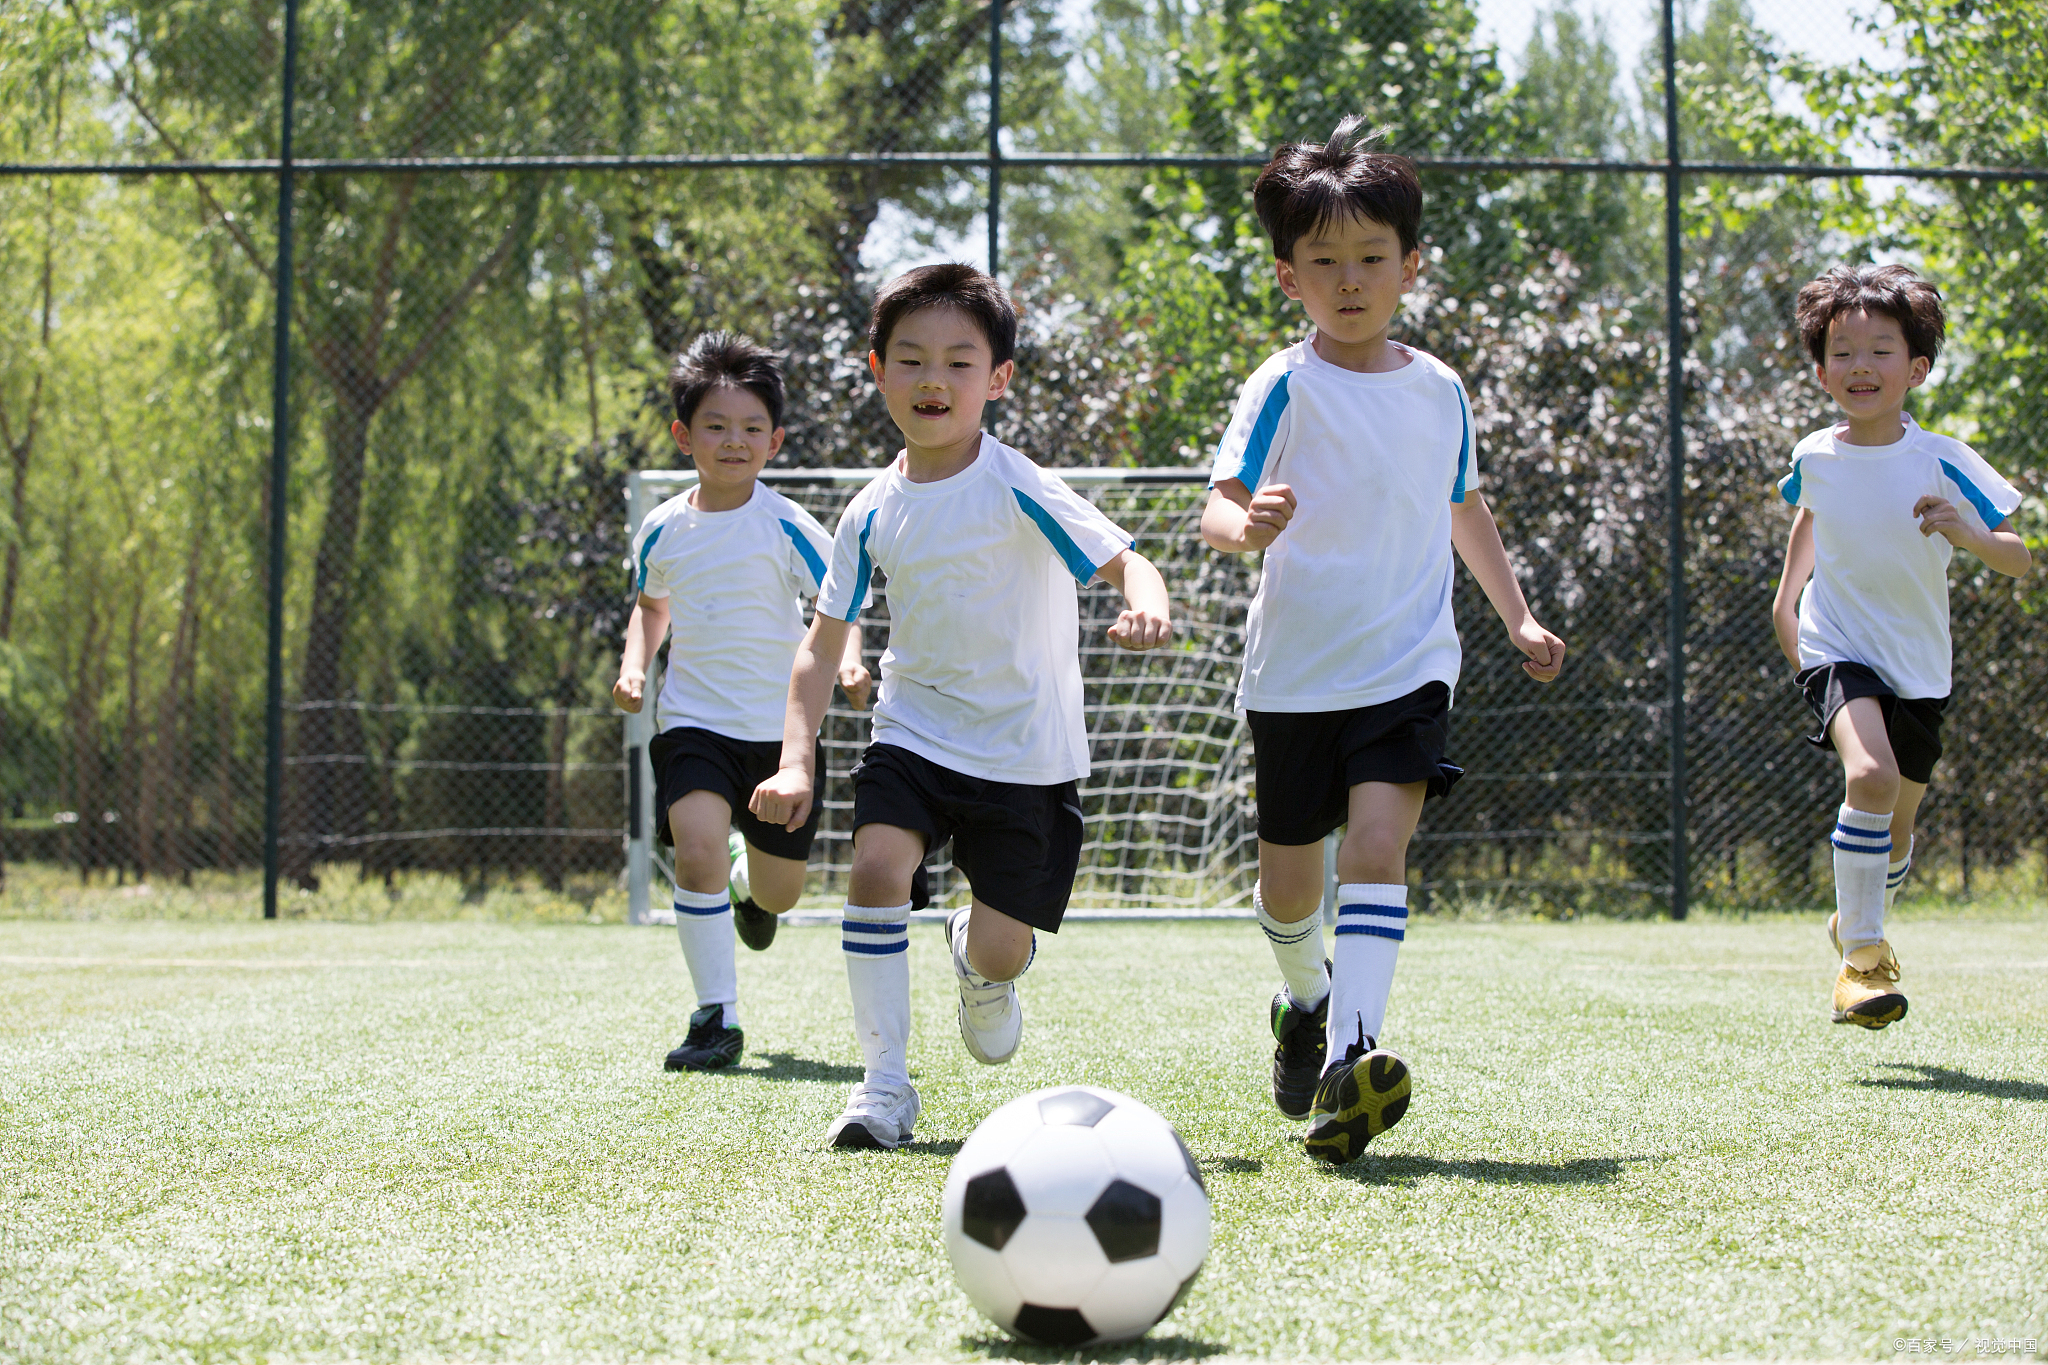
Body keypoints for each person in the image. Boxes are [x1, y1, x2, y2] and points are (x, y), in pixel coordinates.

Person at [1199, 117, 1566, 1166]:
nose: (1349, 280)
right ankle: (1306, 1001)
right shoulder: (1282, 384)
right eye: (1324, 262)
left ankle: (1349, 1059)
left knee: (1374, 848)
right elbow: (1217, 508)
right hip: (1294, 675)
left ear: (1410, 266)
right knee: (1287, 893)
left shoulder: (1439, 388)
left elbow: (1462, 505)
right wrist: (1247, 527)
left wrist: (1515, 614)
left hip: (1408, 665)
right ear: (1289, 278)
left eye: (1370, 257)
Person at [750, 262, 1174, 1150]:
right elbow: (822, 645)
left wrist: (1147, 604)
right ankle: (883, 1087)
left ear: (998, 378)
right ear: (878, 371)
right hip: (913, 732)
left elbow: (1127, 560)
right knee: (875, 871)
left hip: (1025, 754)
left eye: (958, 361)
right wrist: (794, 761)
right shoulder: (870, 511)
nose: (932, 379)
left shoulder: (1019, 483)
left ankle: (980, 963)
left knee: (999, 949)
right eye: (910, 359)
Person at [1772, 264, 2028, 1029]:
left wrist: (1968, 531)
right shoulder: (1814, 455)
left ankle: (1854, 917)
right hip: (1837, 646)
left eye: (1881, 350)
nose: (1861, 366)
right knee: (1871, 774)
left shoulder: (1944, 459)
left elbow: (2017, 556)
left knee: (1898, 830)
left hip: (1918, 668)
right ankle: (1862, 961)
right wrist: (1787, 607)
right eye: (1843, 352)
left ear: (1915, 368)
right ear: (1822, 371)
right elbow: (1810, 515)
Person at [613, 332, 871, 1072]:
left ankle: (744, 882)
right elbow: (651, 606)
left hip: (782, 738)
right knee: (693, 849)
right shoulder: (662, 526)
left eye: (753, 427)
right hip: (691, 722)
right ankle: (715, 1018)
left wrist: (851, 662)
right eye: (717, 426)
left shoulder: (788, 523)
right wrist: (635, 665)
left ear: (775, 440)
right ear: (683, 435)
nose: (735, 441)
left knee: (778, 895)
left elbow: (839, 607)